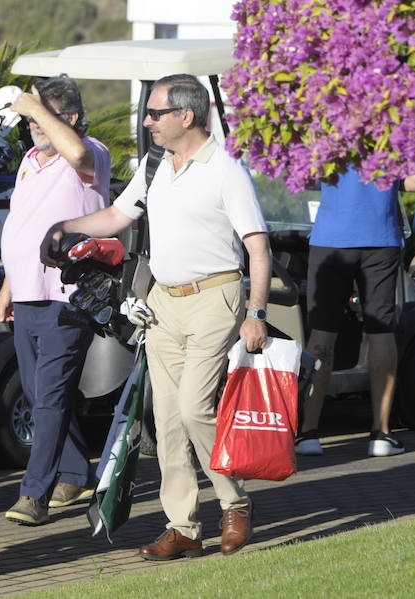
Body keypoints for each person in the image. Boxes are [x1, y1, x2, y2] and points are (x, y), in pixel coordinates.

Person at [40, 74, 271, 560]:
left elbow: (257, 245)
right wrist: (66, 228)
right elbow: (117, 217)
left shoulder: (226, 168)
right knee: (165, 419)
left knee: (193, 409)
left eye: (155, 113)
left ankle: (234, 502)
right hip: (163, 302)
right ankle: (183, 525)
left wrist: (256, 312)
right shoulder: (153, 165)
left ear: (186, 116)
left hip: (216, 297)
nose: (147, 122)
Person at [0, 75, 111, 526]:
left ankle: (34, 493)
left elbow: (75, 151)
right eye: (31, 116)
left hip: (68, 295)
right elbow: (23, 224)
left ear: (72, 118)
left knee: (50, 396)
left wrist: (32, 105)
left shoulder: (89, 152)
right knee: (42, 391)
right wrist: (8, 289)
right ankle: (77, 472)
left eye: (46, 115)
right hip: (28, 296)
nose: (34, 124)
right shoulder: (29, 160)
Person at [295, 169, 415, 457]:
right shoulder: (393, 128)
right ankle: (381, 434)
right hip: (380, 238)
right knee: (380, 330)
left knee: (322, 332)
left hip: (330, 237)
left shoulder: (327, 126)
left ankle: (307, 433)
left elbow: (304, 178)